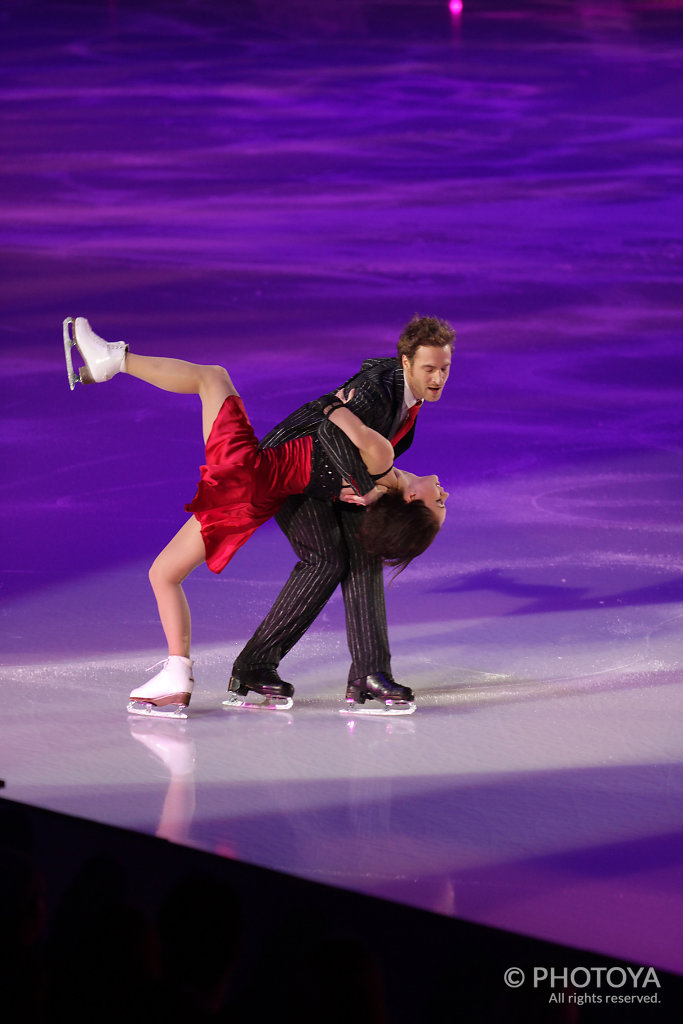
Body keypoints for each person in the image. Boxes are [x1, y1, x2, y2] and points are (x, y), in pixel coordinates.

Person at [62, 317, 448, 717]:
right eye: (431, 368)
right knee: (165, 573)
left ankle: (113, 360)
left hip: (251, 473)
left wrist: (330, 409)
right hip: (263, 492)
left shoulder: (382, 462)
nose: (444, 494)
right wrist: (350, 480)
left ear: (413, 499)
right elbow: (364, 401)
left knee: (212, 377)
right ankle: (181, 674)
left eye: (439, 503)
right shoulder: (383, 451)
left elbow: (333, 420)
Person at [229, 314, 454, 712]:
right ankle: (253, 665)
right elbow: (330, 428)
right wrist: (366, 491)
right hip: (295, 471)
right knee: (325, 559)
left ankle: (369, 675)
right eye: (429, 369)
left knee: (364, 551)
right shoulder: (376, 391)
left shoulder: (408, 401)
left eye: (444, 369)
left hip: (334, 479)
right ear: (406, 363)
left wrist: (378, 487)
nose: (437, 378)